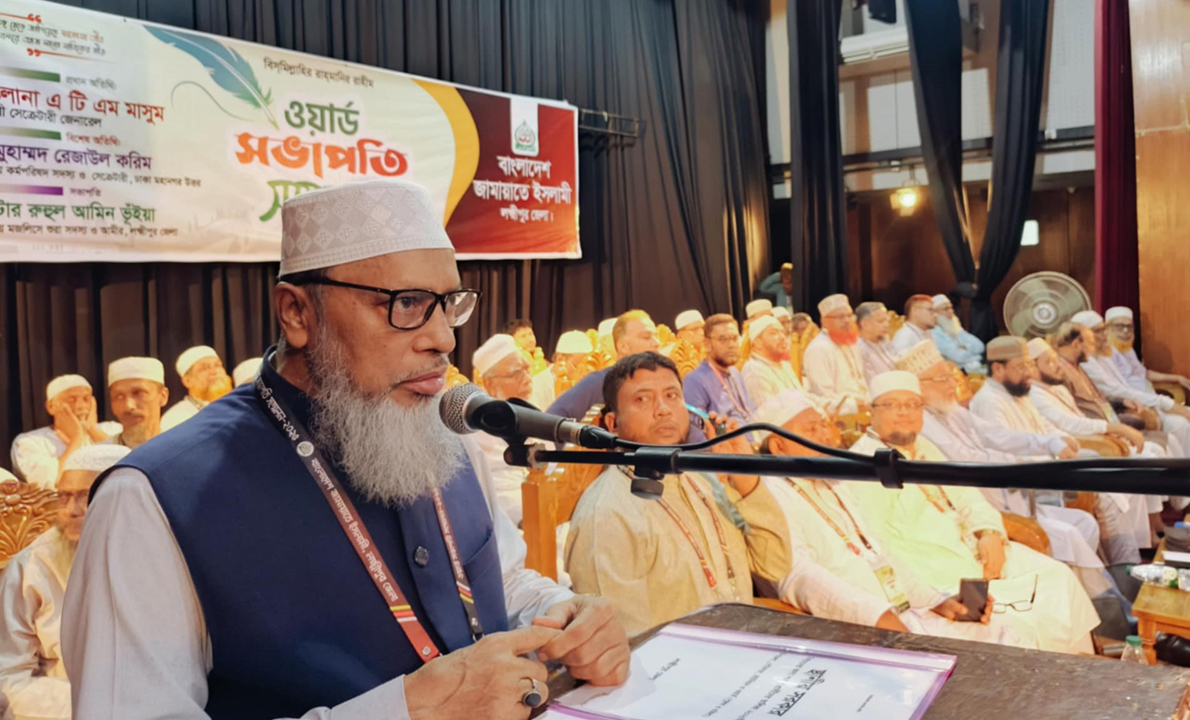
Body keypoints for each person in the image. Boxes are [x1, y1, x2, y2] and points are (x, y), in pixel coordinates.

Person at [62, 179, 629, 718]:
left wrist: (561, 614)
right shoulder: (155, 500)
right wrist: (408, 712)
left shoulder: (442, 436)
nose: (443, 337)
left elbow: (497, 582)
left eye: (449, 303)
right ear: (297, 312)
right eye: (407, 302)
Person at [753, 390, 1033, 648]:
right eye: (811, 429)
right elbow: (797, 576)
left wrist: (937, 602)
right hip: (858, 631)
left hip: (903, 614)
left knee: (1008, 632)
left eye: (824, 425)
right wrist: (879, 618)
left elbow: (879, 552)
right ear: (778, 447)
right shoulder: (771, 494)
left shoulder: (831, 481)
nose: (825, 435)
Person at [846, 371, 1101, 654]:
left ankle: (1083, 666)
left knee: (1059, 576)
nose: (904, 412)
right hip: (936, 573)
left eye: (912, 404)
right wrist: (930, 595)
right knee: (1020, 625)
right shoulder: (863, 464)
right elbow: (877, 547)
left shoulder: (924, 447)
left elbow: (969, 498)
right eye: (892, 405)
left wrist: (989, 533)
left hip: (974, 549)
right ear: (872, 412)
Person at [565, 352, 789, 638]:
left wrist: (745, 479)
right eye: (642, 399)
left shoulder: (702, 479)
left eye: (672, 396)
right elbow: (625, 643)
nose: (663, 410)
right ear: (613, 424)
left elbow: (774, 566)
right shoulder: (607, 515)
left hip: (744, 644)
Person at [896, 340, 1134, 576]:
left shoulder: (951, 410)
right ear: (918, 386)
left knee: (1085, 523)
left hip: (1014, 491)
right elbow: (965, 457)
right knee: (1071, 533)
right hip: (988, 507)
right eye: (943, 379)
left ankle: (1112, 582)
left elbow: (995, 435)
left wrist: (1048, 443)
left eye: (951, 376)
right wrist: (1018, 463)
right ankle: (1105, 592)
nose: (953, 384)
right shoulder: (923, 423)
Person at [0, 444, 130, 720]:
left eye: (85, 496)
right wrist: (97, 707)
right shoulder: (32, 565)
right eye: (63, 497)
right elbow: (8, 675)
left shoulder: (162, 554)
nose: (71, 510)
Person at [1074, 310, 1190, 456]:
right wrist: (1165, 403)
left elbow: (1135, 379)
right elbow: (1116, 391)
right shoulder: (1087, 362)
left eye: (1104, 329)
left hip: (1140, 404)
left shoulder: (1105, 352)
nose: (1104, 334)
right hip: (1122, 412)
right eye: (1098, 331)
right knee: (1180, 425)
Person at [10, 375, 120, 490]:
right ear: (51, 407)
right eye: (71, 400)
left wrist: (93, 430)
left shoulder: (112, 429)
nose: (81, 406)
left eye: (86, 399)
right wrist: (76, 438)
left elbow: (128, 466)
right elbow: (55, 481)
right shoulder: (29, 442)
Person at [547, 310, 660, 420]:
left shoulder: (665, 381)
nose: (657, 343)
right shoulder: (599, 383)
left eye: (656, 336)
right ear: (623, 346)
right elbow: (550, 422)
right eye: (646, 337)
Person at [472, 334, 534, 525]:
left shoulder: (529, 410)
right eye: (516, 374)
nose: (528, 379)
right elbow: (499, 496)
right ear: (490, 385)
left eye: (527, 370)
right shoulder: (478, 429)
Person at [802, 294, 869, 415]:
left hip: (864, 407)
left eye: (849, 315)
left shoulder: (850, 342)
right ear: (825, 321)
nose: (847, 321)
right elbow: (822, 395)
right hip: (842, 415)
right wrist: (853, 405)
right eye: (840, 317)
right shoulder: (818, 349)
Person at [684, 314, 756, 424]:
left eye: (734, 338)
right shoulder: (695, 381)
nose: (731, 345)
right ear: (707, 344)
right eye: (723, 339)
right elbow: (697, 429)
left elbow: (751, 411)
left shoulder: (735, 373)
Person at [1105, 306, 1190, 395]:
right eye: (1119, 327)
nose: (1126, 330)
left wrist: (1177, 378)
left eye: (1129, 327)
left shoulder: (1128, 349)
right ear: (1106, 329)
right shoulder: (1105, 354)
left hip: (1149, 397)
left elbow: (1144, 374)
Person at [160, 346, 232, 432]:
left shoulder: (236, 406)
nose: (214, 372)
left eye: (217, 365)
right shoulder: (175, 418)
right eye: (204, 368)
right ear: (187, 381)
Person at [103, 357, 169, 450]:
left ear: (163, 396)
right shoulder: (98, 455)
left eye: (139, 393)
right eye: (119, 396)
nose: (128, 406)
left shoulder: (181, 451)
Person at [741, 316, 803, 408]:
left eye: (782, 332)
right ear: (757, 343)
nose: (782, 337)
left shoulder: (784, 365)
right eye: (773, 333)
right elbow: (769, 413)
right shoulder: (754, 371)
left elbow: (803, 399)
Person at [931, 294, 986, 374]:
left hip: (974, 368)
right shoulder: (935, 333)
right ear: (935, 313)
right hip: (956, 373)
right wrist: (976, 356)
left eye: (951, 308)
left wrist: (966, 347)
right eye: (946, 309)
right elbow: (959, 357)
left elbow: (980, 346)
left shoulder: (954, 327)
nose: (951, 311)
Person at [854, 301, 897, 383]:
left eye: (886, 320)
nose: (886, 325)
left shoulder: (884, 340)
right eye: (881, 321)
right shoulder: (859, 349)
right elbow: (872, 382)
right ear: (865, 324)